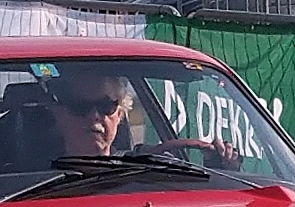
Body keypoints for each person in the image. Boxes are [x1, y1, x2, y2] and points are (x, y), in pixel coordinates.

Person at [49, 71, 241, 168]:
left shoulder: (147, 171)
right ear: (59, 114)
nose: (95, 116)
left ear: (120, 114)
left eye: (106, 106)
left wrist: (224, 166)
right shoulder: (30, 183)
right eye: (80, 106)